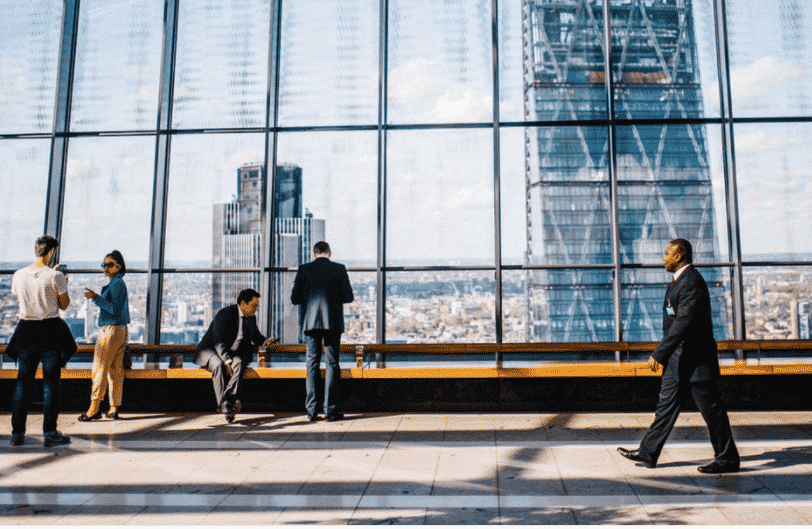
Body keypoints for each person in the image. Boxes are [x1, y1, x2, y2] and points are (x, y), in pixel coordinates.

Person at [617, 238, 740, 474]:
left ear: (680, 255)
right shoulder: (679, 281)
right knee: (665, 407)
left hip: (696, 361)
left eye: (667, 254)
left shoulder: (692, 282)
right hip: (678, 360)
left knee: (712, 411)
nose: (663, 258)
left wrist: (659, 353)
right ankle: (648, 452)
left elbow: (683, 323)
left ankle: (727, 458)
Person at [6, 235, 75, 447]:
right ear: (52, 252)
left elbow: (19, 298)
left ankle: (17, 433)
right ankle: (50, 432)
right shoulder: (55, 277)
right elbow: (64, 305)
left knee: (23, 384)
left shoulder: (18, 275)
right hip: (49, 331)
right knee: (50, 385)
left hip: (26, 330)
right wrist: (63, 281)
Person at [291, 241, 354, 422]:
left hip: (310, 323)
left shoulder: (304, 269)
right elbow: (348, 297)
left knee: (311, 364)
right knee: (332, 364)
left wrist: (309, 295)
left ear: (314, 253)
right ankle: (331, 410)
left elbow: (295, 299)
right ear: (330, 252)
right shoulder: (339, 269)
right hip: (332, 322)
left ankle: (311, 411)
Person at [195, 288, 276, 422]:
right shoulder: (225, 314)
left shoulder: (251, 317)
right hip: (211, 351)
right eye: (254, 306)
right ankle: (227, 406)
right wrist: (227, 361)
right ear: (243, 303)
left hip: (233, 353)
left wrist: (265, 341)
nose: (256, 309)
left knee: (239, 363)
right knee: (219, 365)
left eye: (257, 306)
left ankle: (226, 402)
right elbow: (218, 342)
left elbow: (255, 336)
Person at [78, 250, 130, 422]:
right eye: (104, 265)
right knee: (115, 370)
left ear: (119, 266)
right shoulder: (118, 283)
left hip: (110, 330)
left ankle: (94, 408)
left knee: (99, 369)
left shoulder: (116, 285)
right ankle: (114, 407)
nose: (106, 268)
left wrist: (95, 298)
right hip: (121, 330)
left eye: (110, 265)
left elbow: (113, 309)